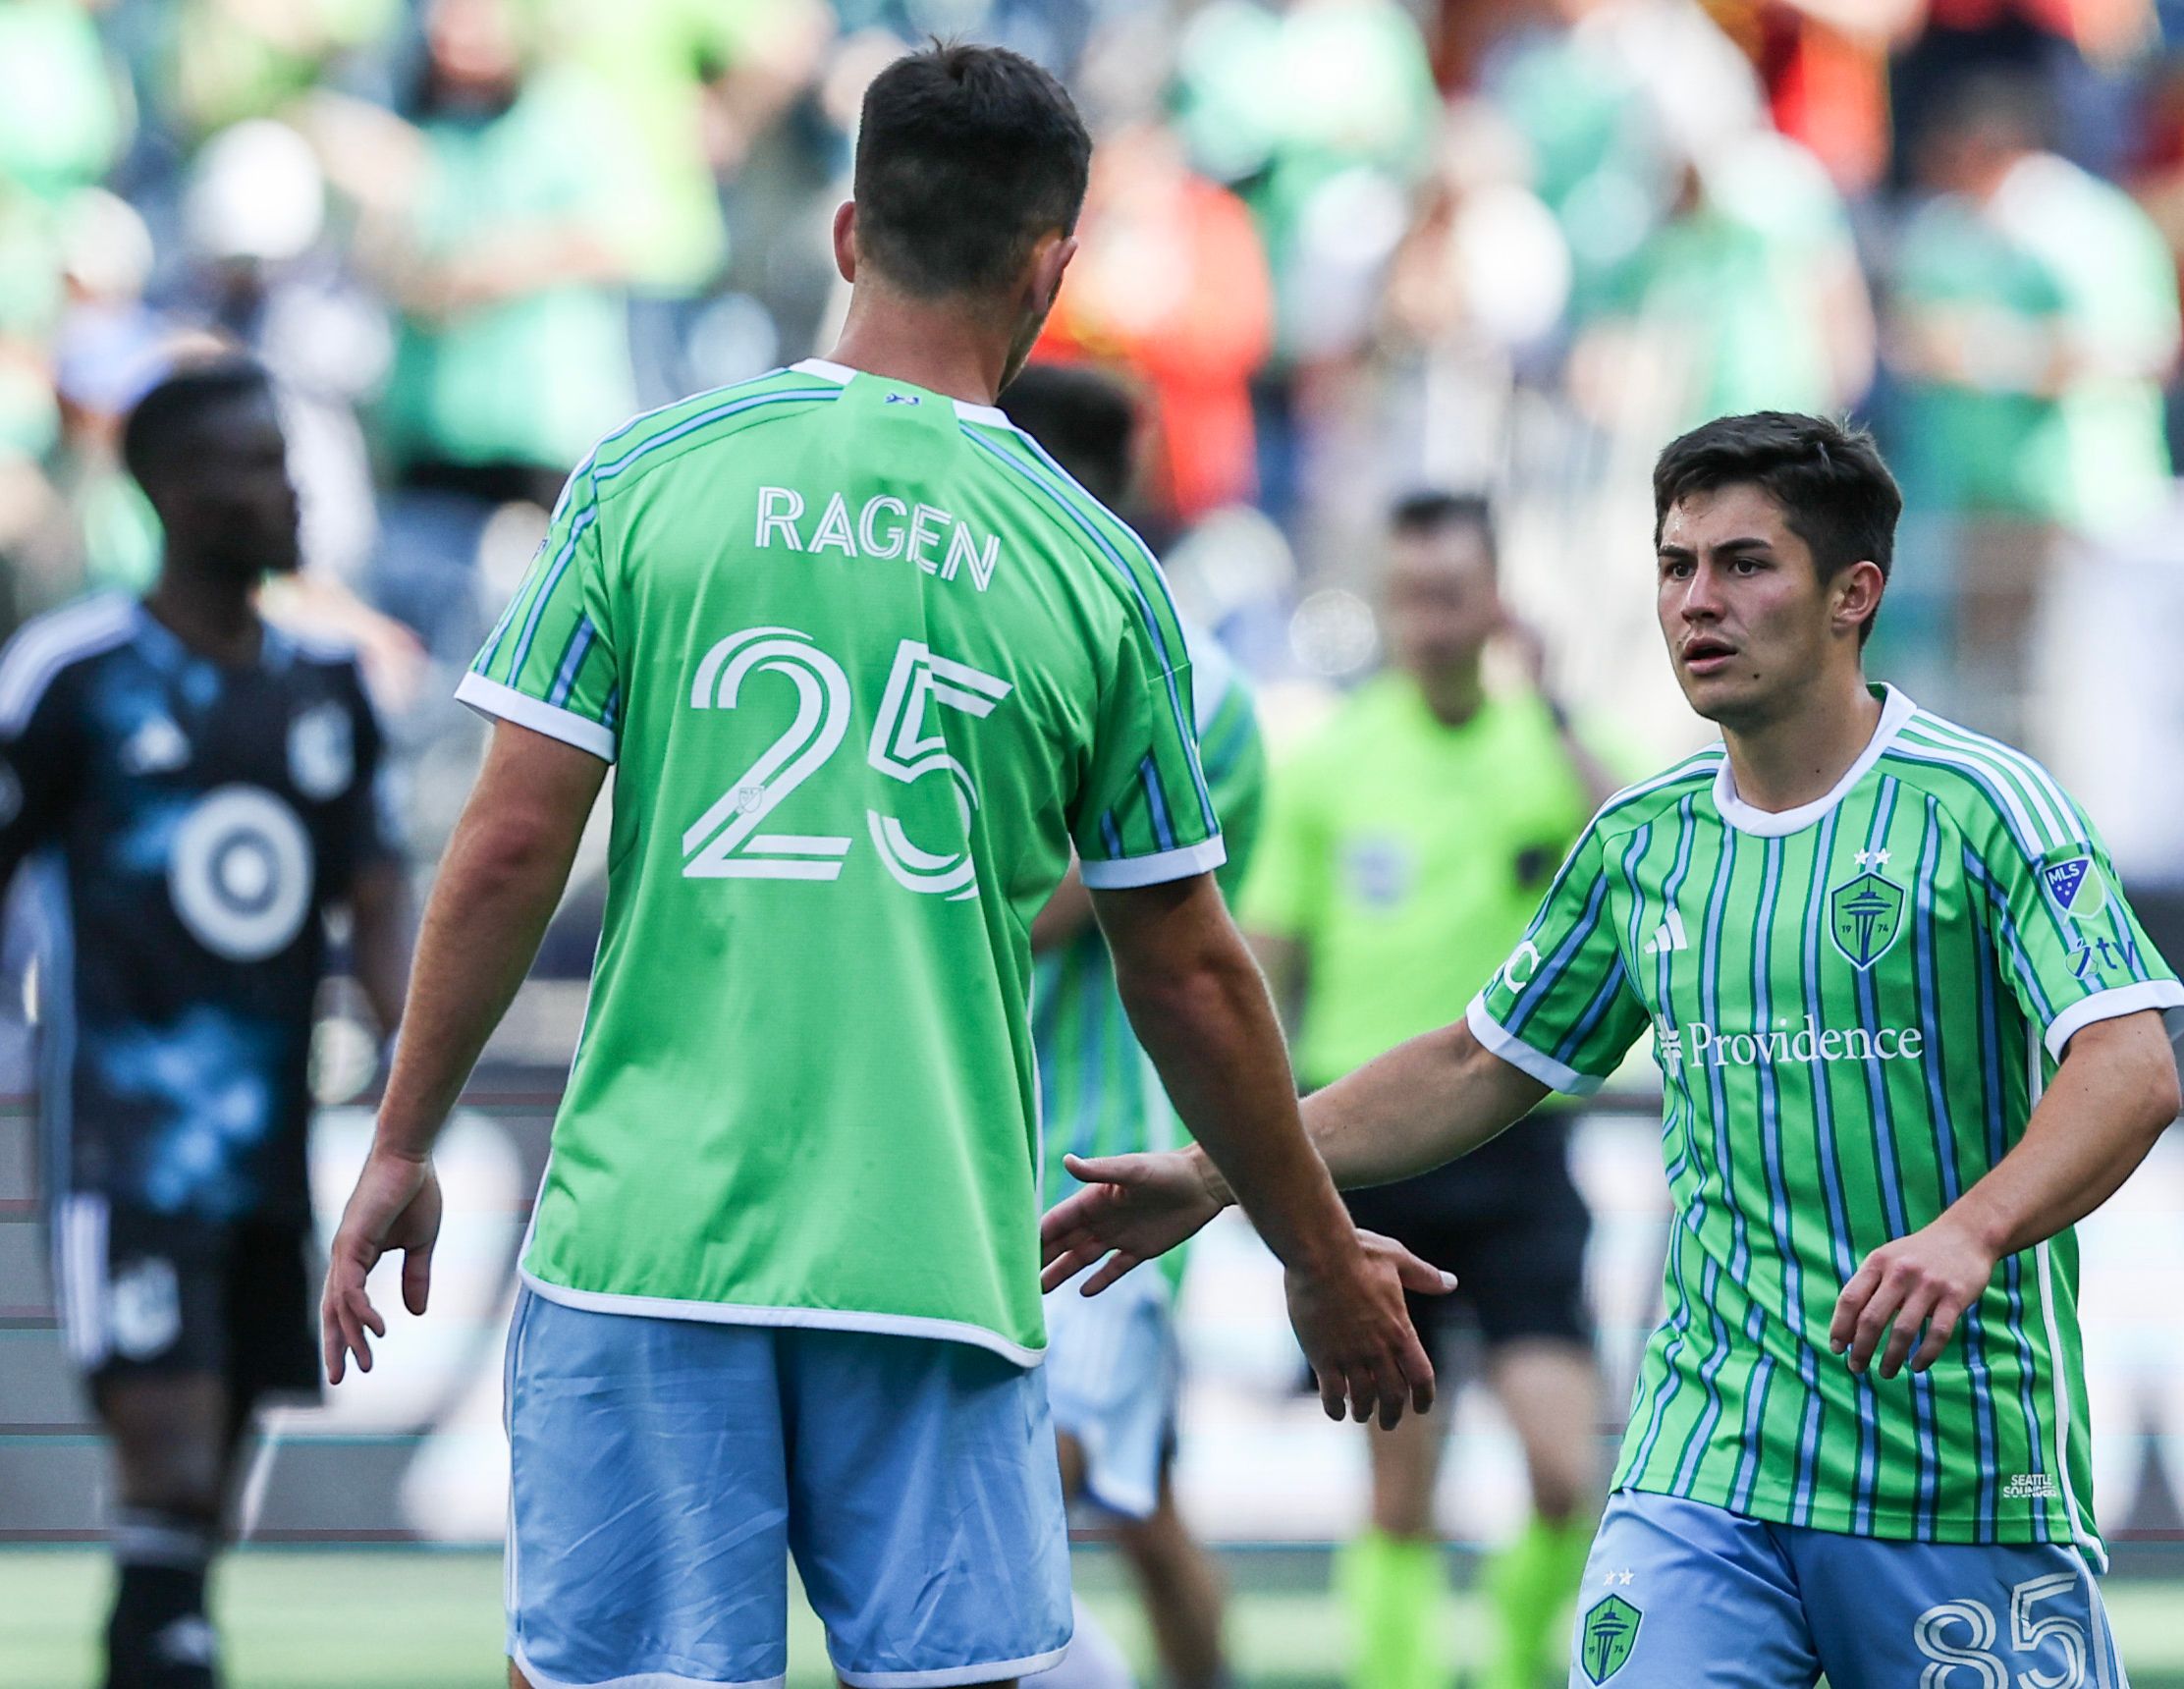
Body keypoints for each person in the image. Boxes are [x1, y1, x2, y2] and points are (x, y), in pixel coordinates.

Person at [315, 43, 1440, 1689]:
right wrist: (1319, 1249)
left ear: (847, 233)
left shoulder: (648, 478)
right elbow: (1187, 970)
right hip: (931, 1253)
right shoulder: (1099, 574)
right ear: (1049, 269)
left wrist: (403, 1137)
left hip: (648, 1240)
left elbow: (501, 847)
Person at [1049, 411, 2184, 1689]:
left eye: (1744, 565)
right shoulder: (1641, 839)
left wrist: (1969, 1232)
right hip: (1704, 1463)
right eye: (1673, 565)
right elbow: (1480, 1063)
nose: (1696, 602)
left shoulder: (1984, 806)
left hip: (1954, 1473)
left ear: (1850, 596)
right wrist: (1215, 1173)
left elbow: (2128, 1065)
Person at [8, 357, 410, 1689]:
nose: (289, 491)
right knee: (168, 1467)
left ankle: (152, 1643)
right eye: (255, 464)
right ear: (171, 491)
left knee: (195, 1508)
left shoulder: (326, 687)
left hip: (266, 1153)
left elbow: (378, 893)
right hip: (122, 1148)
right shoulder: (73, 677)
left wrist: (408, 1089)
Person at [1236, 490, 1617, 1689]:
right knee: (1399, 1485)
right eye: (1409, 596)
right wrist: (1264, 1147)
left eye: (1451, 595)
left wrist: (1552, 705)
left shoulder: (1552, 748)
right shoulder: (1331, 759)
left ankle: (1511, 1662)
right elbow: (1268, 967)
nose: (1430, 622)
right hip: (1376, 1151)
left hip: (1517, 1150)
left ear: (1495, 602)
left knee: (1568, 1470)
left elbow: (1647, 858)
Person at [1009, 362, 1254, 1689]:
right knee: (1138, 1510)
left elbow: (1045, 910)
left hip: (1110, 1164)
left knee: (1011, 1503)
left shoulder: (1188, 683)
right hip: (978, 1153)